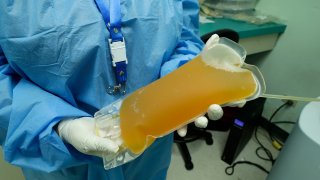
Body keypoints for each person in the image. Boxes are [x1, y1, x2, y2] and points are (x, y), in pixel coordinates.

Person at [0, 0, 227, 179]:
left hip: (149, 153)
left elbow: (184, 38)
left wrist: (183, 79)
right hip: (61, 160)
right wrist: (59, 126)